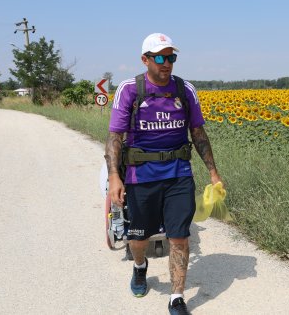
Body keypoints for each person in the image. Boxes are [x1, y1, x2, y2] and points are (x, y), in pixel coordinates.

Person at [104, 33, 222, 315]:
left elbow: (198, 134)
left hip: (179, 173)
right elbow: (115, 136)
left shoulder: (185, 90)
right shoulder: (130, 89)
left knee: (179, 236)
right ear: (145, 60)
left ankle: (177, 297)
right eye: (160, 57)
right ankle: (140, 266)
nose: (166, 63)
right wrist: (114, 178)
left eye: (171, 57)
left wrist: (213, 172)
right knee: (140, 236)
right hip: (140, 175)